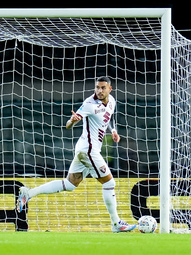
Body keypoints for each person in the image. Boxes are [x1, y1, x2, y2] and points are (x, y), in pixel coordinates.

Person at [17, 76, 136, 233]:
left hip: (85, 149)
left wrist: (113, 131)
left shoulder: (112, 101)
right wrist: (72, 121)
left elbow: (109, 117)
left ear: (109, 89)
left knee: (70, 184)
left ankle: (29, 193)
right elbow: (67, 125)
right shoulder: (89, 104)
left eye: (103, 88)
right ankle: (116, 224)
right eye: (97, 87)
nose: (99, 91)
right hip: (88, 149)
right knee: (109, 184)